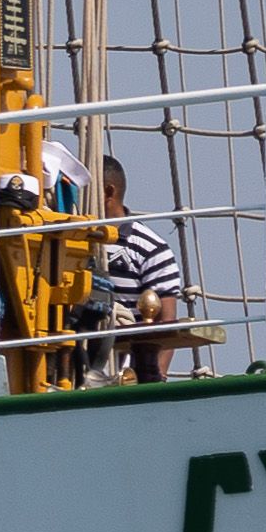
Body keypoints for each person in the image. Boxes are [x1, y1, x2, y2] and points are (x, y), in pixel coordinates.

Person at [94, 154, 186, 385]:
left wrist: (153, 383)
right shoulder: (68, 241)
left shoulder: (151, 250)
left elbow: (167, 325)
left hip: (124, 374)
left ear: (108, 193)